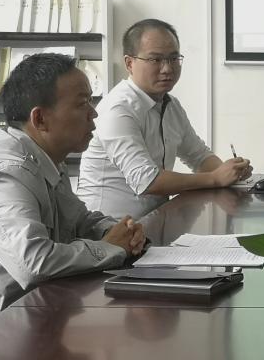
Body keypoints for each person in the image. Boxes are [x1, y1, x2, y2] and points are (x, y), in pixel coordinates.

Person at [0, 54, 146, 349]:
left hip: (25, 320)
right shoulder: (6, 172)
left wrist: (120, 231)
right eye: (82, 104)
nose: (94, 113)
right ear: (40, 119)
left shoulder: (44, 159)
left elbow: (79, 219)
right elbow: (33, 262)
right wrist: (111, 247)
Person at [77, 19, 252, 218]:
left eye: (173, 58)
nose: (167, 68)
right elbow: (146, 180)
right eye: (156, 60)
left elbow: (199, 156)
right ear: (129, 63)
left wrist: (231, 172)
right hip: (109, 228)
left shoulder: (171, 105)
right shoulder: (117, 108)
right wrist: (214, 178)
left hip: (151, 222)